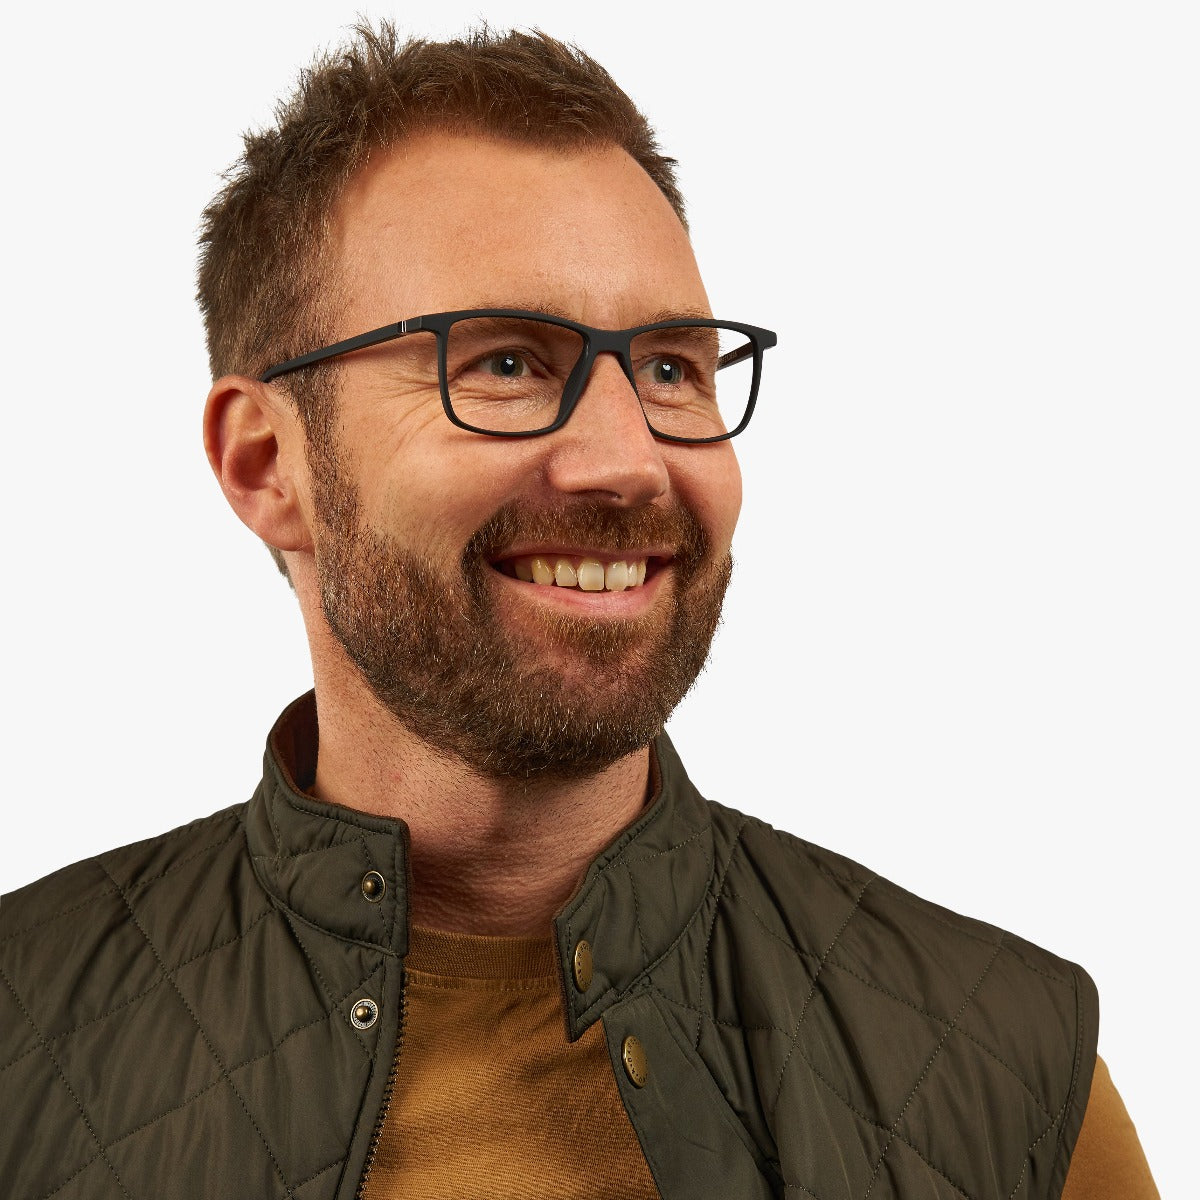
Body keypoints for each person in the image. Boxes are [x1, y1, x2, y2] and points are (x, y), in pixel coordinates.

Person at [0, 23, 1157, 1200]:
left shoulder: (1008, 1079)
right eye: (505, 363)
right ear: (266, 464)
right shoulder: (21, 1037)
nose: (628, 461)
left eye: (671, 369)